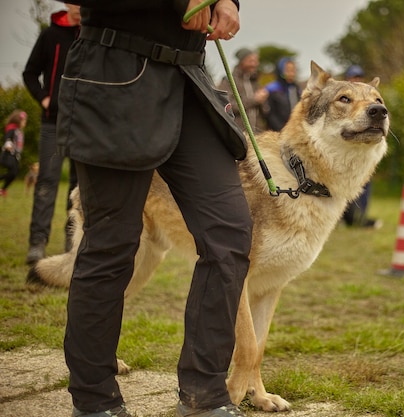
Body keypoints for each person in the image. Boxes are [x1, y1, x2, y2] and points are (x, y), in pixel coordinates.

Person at [55, 1, 252, 416]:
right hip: (114, 71)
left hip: (190, 79)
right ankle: (94, 402)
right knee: (112, 244)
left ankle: (204, 397)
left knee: (229, 234)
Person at [23, 3, 81, 265]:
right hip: (53, 125)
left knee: (80, 189)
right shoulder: (50, 35)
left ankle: (73, 244)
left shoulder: (93, 34)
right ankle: (37, 242)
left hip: (86, 126)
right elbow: (30, 73)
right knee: (46, 183)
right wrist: (46, 99)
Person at [341, 65, 382, 229]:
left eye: (359, 77)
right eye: (353, 77)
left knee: (364, 186)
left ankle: (360, 218)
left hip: (364, 152)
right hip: (344, 152)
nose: (356, 80)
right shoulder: (340, 96)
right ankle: (348, 218)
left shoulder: (370, 99)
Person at [218, 47, 268, 133]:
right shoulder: (229, 81)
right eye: (250, 61)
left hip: (257, 134)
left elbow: (264, 112)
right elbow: (227, 106)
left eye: (256, 61)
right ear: (241, 62)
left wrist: (263, 101)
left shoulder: (255, 82)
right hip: (237, 133)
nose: (254, 64)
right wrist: (255, 100)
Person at [263, 56, 300, 131]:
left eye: (293, 70)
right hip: (277, 131)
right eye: (287, 70)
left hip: (294, 130)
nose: (291, 73)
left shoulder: (296, 89)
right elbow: (270, 114)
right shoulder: (272, 89)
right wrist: (282, 129)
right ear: (281, 71)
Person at [0, 110, 28, 196]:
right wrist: (8, 144)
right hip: (8, 154)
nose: (25, 123)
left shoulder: (19, 130)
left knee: (15, 173)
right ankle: (3, 189)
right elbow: (7, 137)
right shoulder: (12, 128)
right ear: (18, 120)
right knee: (13, 171)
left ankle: (3, 189)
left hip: (15, 155)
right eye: (24, 121)